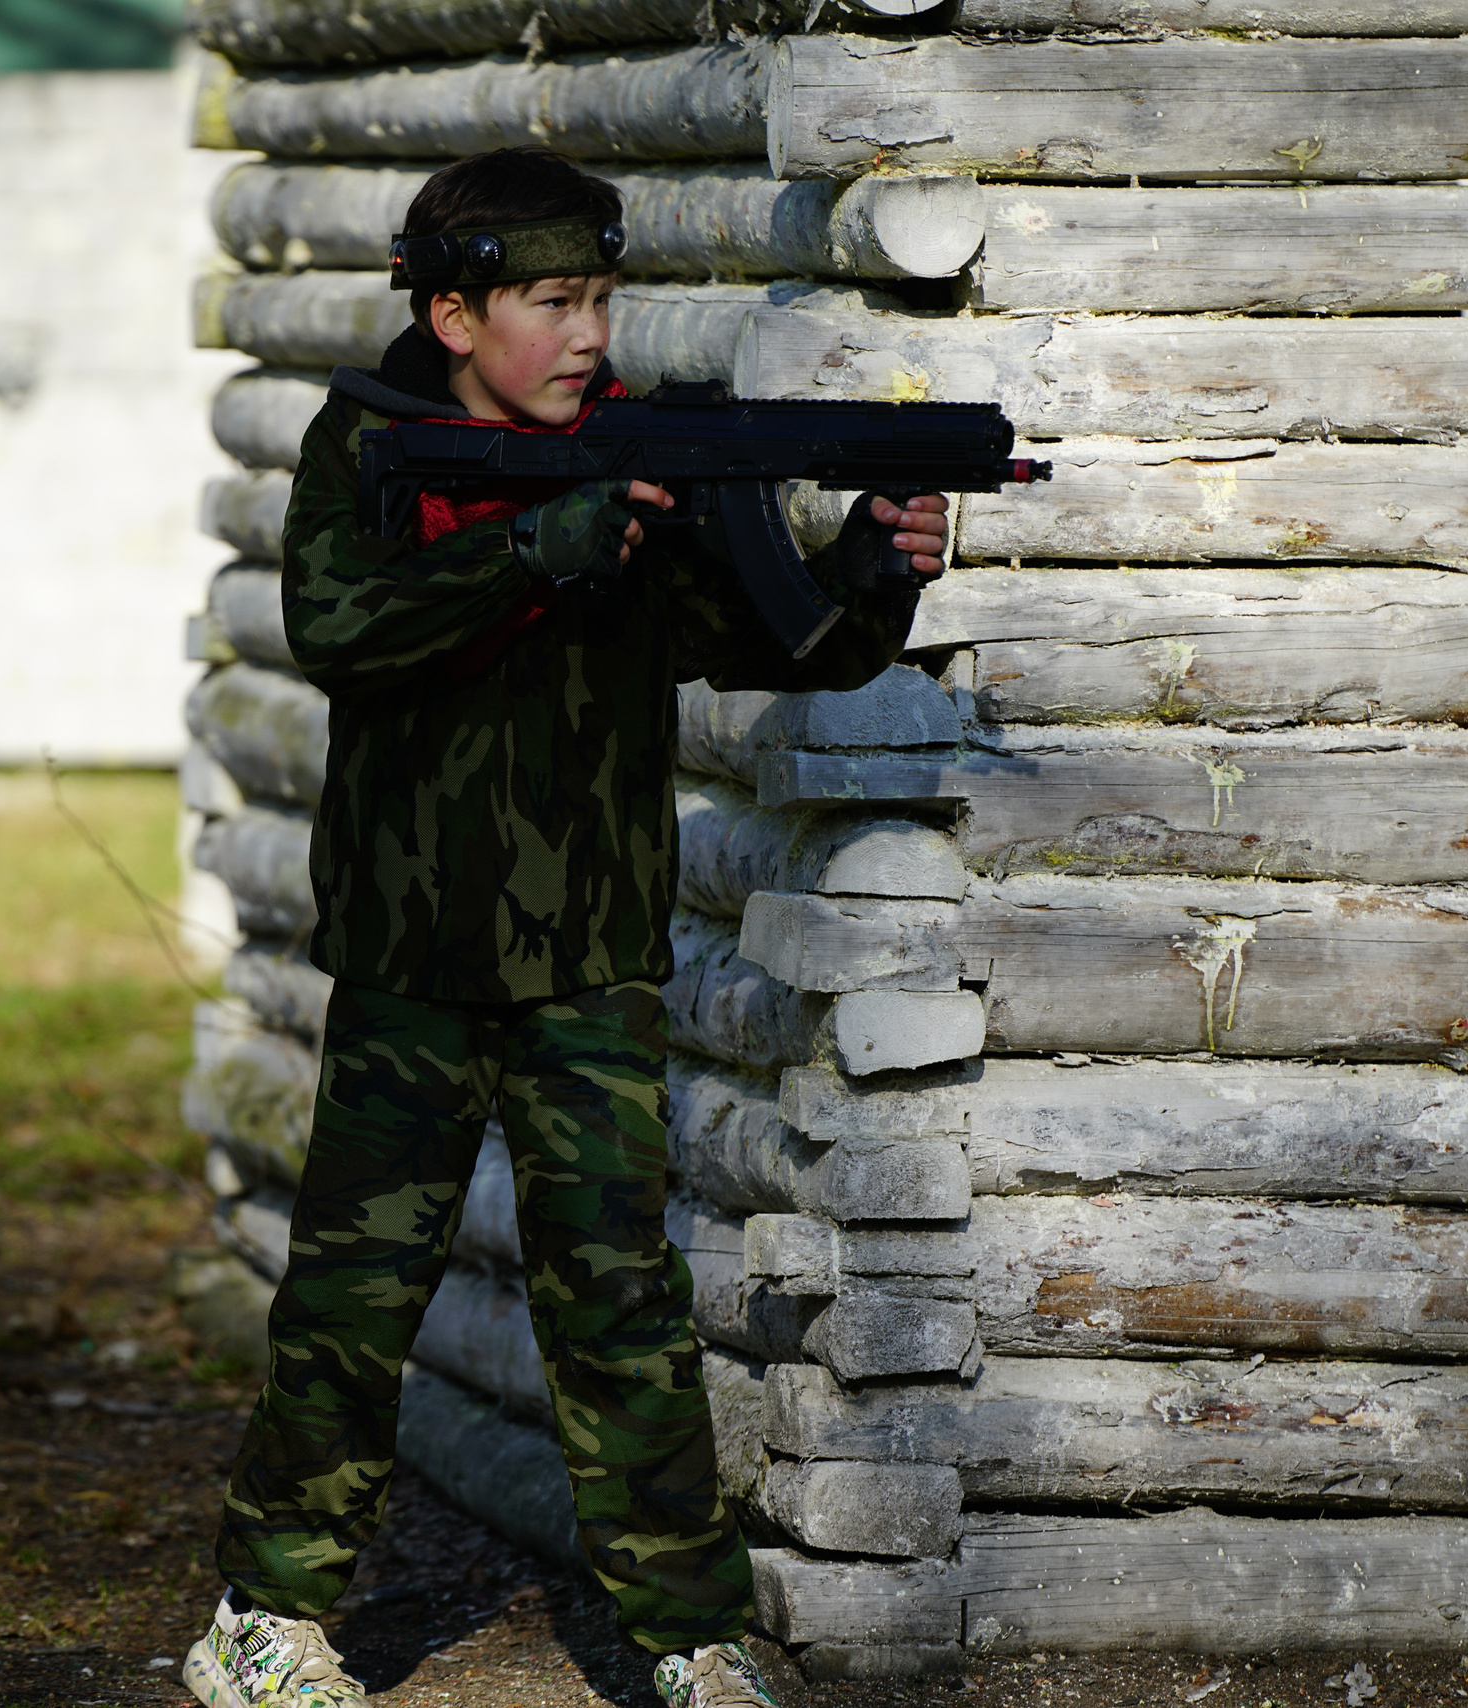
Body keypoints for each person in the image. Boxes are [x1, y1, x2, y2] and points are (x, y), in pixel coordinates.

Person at [182, 145, 952, 1708]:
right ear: (456, 314)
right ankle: (263, 1618)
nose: (591, 332)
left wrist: (873, 571)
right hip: (413, 958)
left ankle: (688, 1637)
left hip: (589, 959)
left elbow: (762, 640)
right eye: (556, 302)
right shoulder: (369, 443)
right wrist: (536, 545)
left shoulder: (630, 464)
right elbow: (339, 626)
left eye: (603, 298)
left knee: (619, 1307)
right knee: (353, 1302)